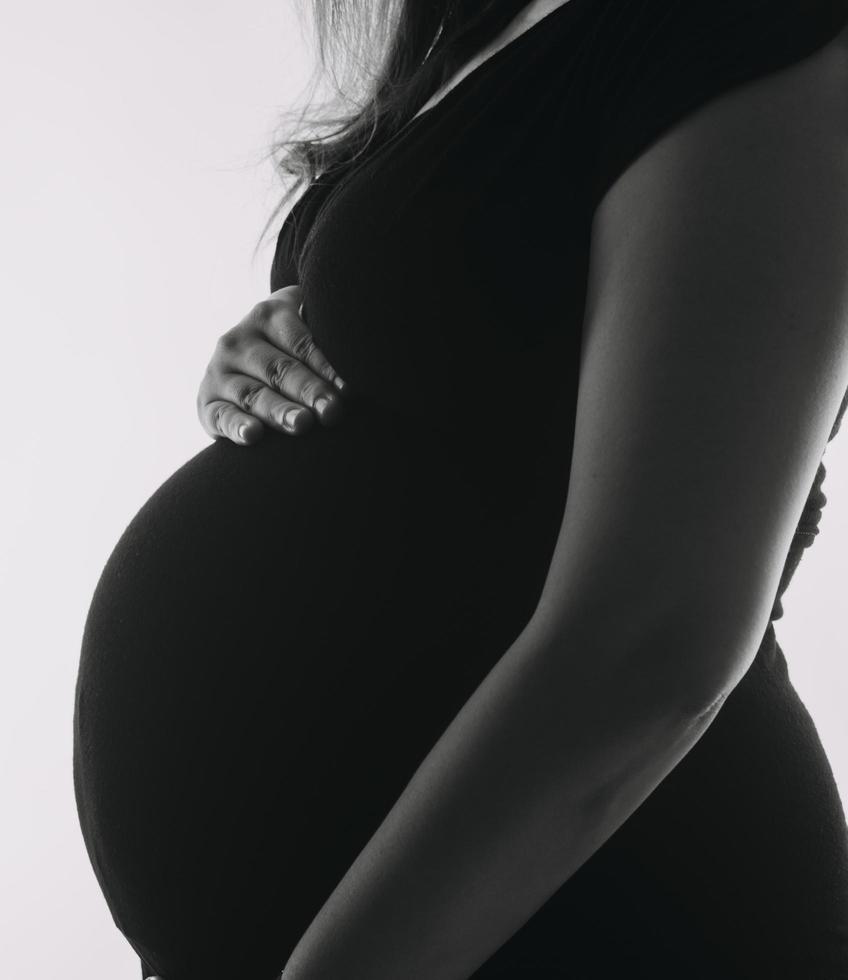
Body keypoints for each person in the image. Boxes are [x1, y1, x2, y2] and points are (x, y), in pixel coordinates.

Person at [73, 1, 848, 978]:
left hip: (608, 914)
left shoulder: (738, 27)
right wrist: (269, 355)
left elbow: (656, 641)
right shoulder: (472, 28)